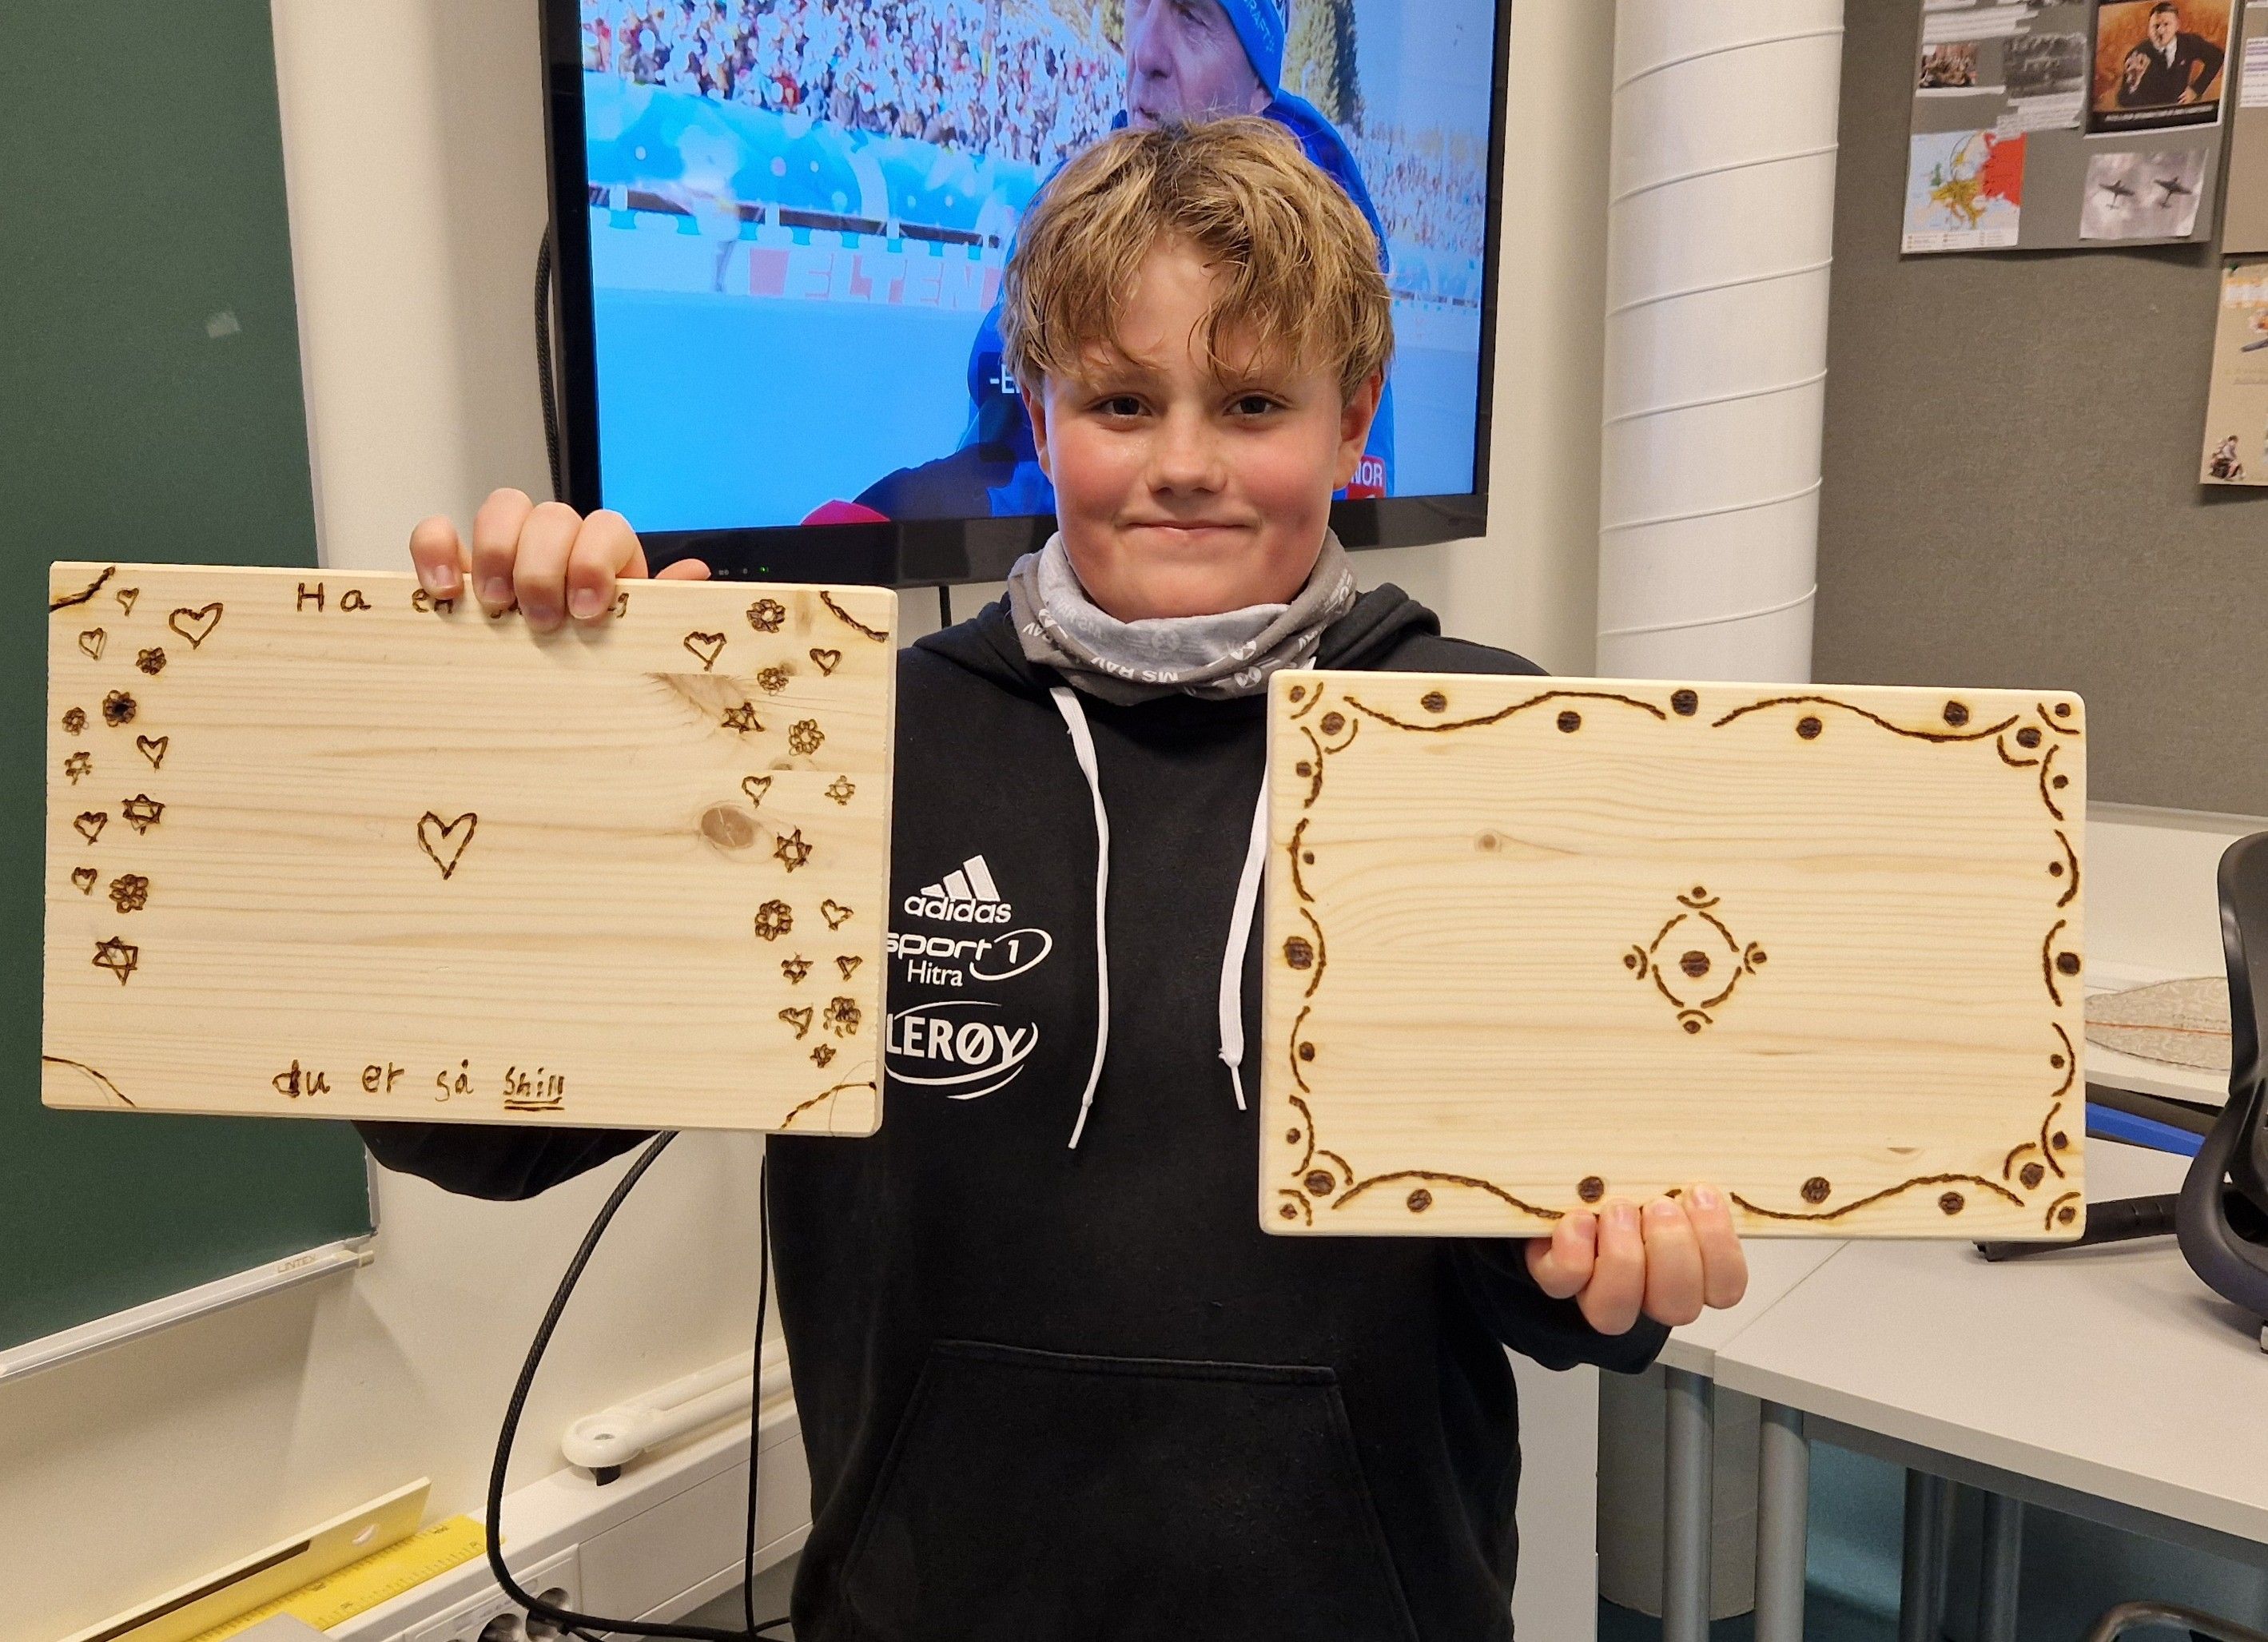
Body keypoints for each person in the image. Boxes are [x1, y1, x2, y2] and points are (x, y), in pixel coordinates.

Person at [372, 119, 1748, 1640]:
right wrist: (522, 746)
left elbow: (1534, 1263)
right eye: (1119, 401)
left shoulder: (1490, 740)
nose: (1183, 464)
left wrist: (1602, 1267)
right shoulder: (836, 748)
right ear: (1035, 409)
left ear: (1353, 415)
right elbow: (472, 1131)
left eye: (1251, 403)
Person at [841, 0, 1399, 523]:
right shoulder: (1064, 212)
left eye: (1191, 16)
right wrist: (892, 523)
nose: (1145, 54)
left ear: (1260, 81)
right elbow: (1001, 453)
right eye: (1138, 4)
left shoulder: (1324, 261)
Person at [2118, 1, 2225, 108]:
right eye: (2156, 26)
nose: (2161, 31)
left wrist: (2196, 90)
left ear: (2177, 25)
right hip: (2153, 113)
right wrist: (2133, 84)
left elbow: (2217, 57)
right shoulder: (2137, 55)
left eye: (2166, 24)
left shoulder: (2189, 43)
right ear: (2148, 29)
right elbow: (2124, 101)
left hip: (2182, 110)